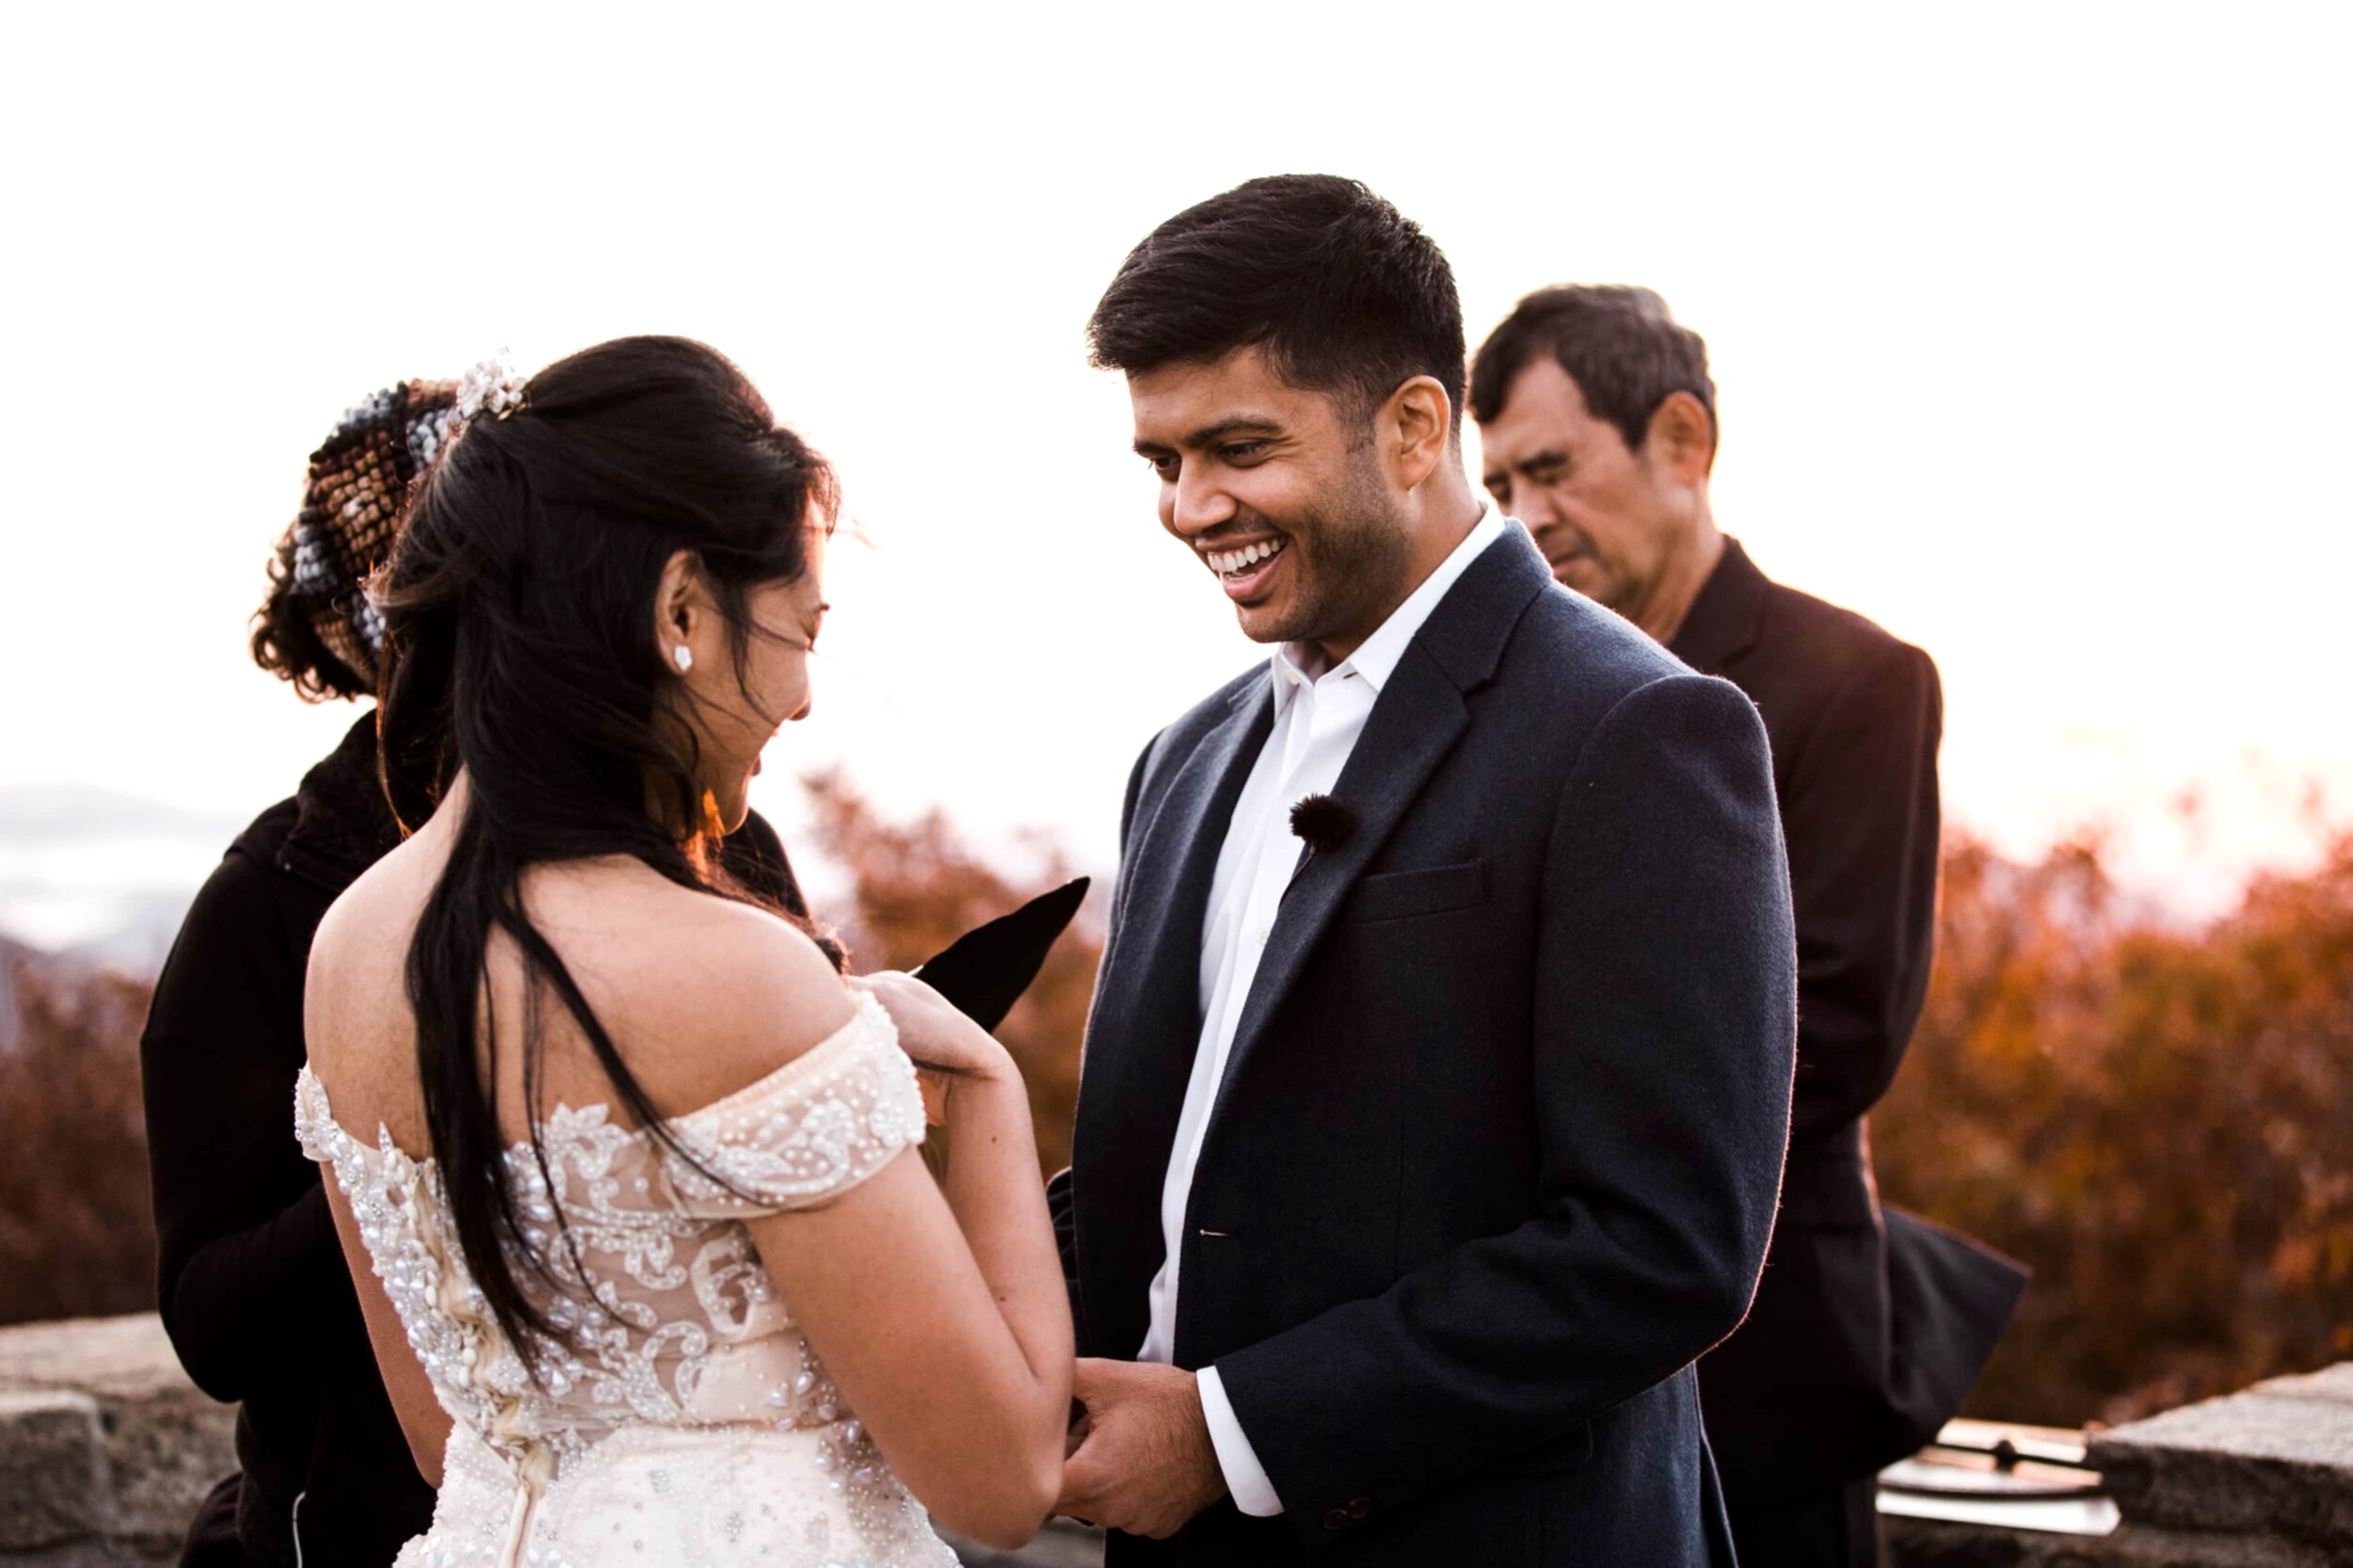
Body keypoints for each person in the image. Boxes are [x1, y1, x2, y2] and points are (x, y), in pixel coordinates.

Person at [1048, 176, 1798, 1566]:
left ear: (1412, 426)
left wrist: (1227, 1433)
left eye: (1239, 448)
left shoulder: (1638, 728)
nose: (1191, 506)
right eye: (1162, 462)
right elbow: (1172, 1175)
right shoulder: (1186, 757)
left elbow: (1659, 1247)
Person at [290, 338, 1072, 1566]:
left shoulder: (349, 948)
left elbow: (459, 1440)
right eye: (802, 628)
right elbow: (1006, 1477)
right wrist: (988, 1084)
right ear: (682, 611)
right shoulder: (740, 982)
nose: (806, 694)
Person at [140, 376, 817, 1567]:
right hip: (377, 1526)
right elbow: (210, 1321)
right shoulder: (273, 906)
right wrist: (401, 1139)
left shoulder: (722, 838)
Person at [1471, 284, 2027, 1567]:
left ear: (1682, 440)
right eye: (1497, 485)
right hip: (1538, 1351)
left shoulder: (1858, 682)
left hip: (1769, 1353)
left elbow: (1839, 1024)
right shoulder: (1512, 692)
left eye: (1550, 469)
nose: (1522, 519)